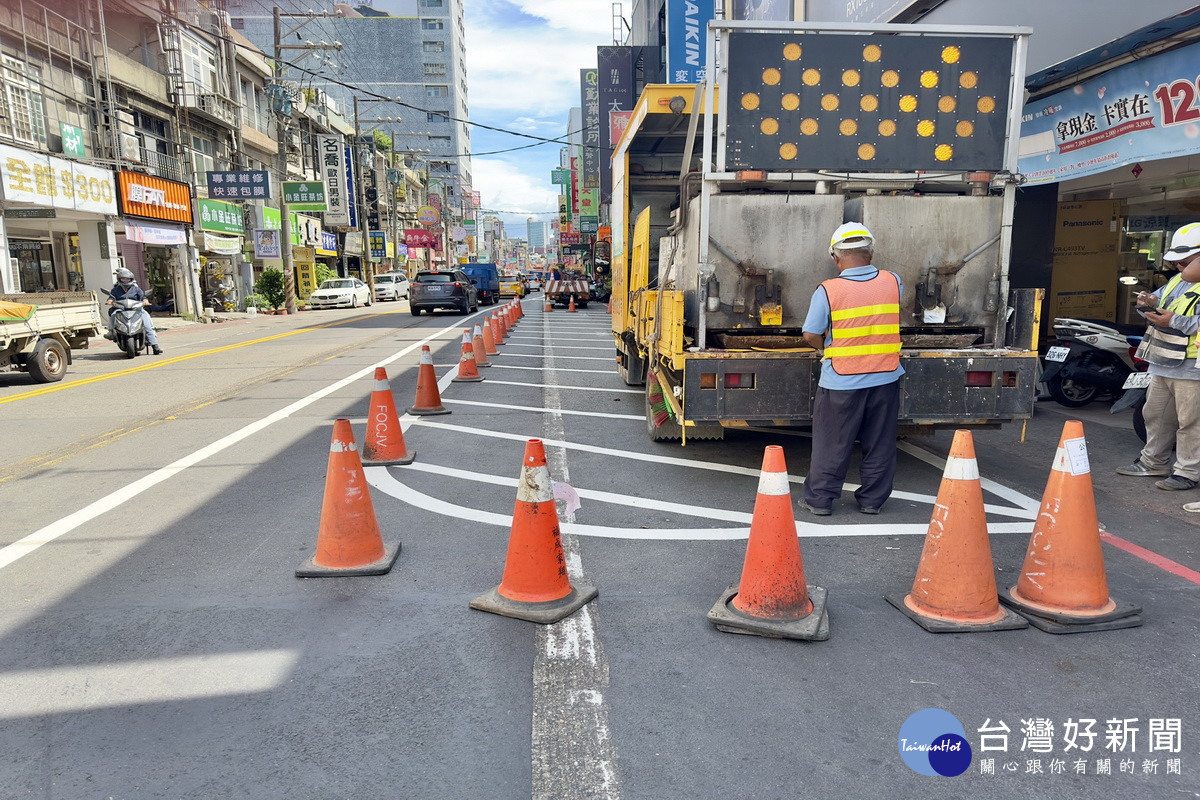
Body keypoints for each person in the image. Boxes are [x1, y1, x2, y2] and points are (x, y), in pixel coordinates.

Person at [799, 222, 903, 516]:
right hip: (886, 375)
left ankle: (820, 500)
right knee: (880, 442)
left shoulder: (828, 290)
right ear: (870, 253)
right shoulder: (893, 281)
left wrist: (826, 349)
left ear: (836, 258)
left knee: (832, 443)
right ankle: (872, 501)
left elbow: (810, 334)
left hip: (841, 380)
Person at [1117, 222, 1200, 492]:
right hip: (1164, 362)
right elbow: (1157, 300)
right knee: (1156, 415)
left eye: (1184, 261)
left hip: (1192, 366)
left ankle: (1187, 472)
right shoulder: (1178, 280)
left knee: (1190, 422)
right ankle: (1153, 462)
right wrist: (1148, 304)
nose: (1178, 267)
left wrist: (1172, 320)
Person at [105, 267, 162, 355]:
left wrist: (145, 301)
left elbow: (143, 297)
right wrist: (109, 301)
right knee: (113, 314)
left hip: (137, 309)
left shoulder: (136, 289)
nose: (125, 281)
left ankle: (155, 346)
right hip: (122, 309)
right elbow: (111, 297)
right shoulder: (116, 289)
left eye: (127, 279)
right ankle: (111, 331)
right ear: (119, 279)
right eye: (123, 279)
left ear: (131, 279)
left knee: (147, 323)